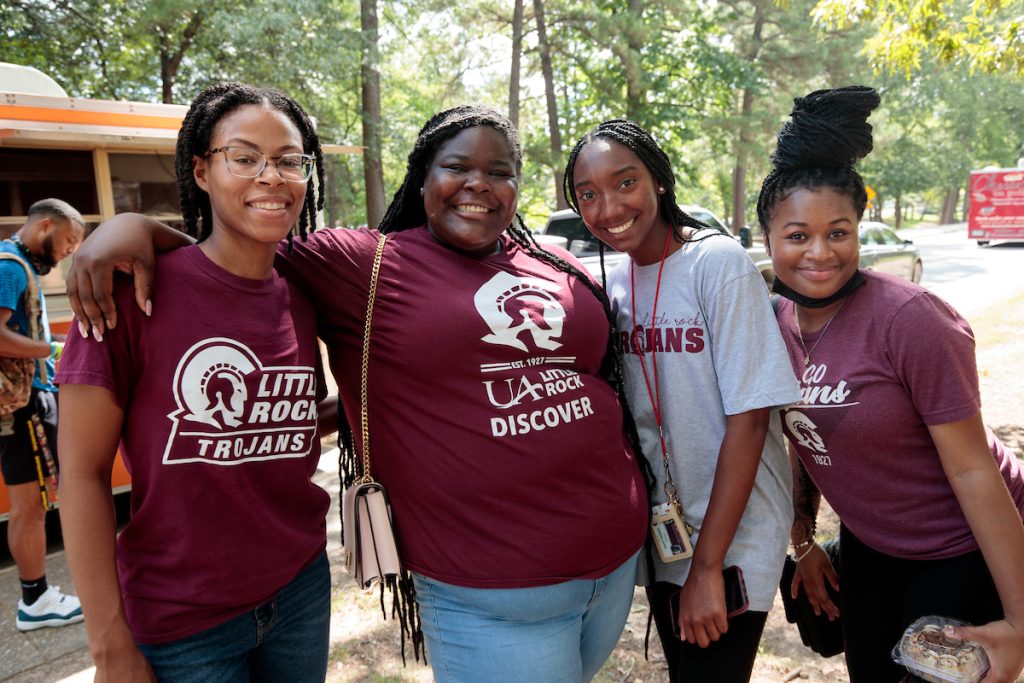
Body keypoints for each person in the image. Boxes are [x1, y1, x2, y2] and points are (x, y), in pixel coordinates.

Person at [65, 104, 649, 683]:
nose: (479, 183)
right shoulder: (358, 263)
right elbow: (233, 246)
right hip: (490, 589)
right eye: (457, 166)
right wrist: (127, 227)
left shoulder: (555, 262)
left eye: (500, 172)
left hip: (610, 562)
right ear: (422, 178)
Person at [55, 83, 334, 682]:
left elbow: (292, 422)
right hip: (185, 621)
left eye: (289, 161)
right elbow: (80, 476)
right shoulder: (124, 295)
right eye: (245, 157)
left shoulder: (300, 294)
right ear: (202, 170)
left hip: (301, 588)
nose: (271, 176)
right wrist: (109, 647)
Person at [757, 86, 1024, 683]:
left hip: (963, 546)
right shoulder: (771, 323)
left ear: (859, 230)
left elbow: (974, 470)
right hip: (873, 545)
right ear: (768, 241)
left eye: (840, 232)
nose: (820, 252)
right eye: (798, 235)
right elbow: (805, 432)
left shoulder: (913, 319)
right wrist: (803, 542)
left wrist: (1020, 620)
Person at [562, 119, 801, 682]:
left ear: (660, 181)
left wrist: (708, 566)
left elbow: (750, 418)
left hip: (732, 534)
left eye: (625, 183)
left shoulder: (716, 264)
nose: (608, 207)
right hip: (670, 533)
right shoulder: (614, 281)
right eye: (587, 194)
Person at [0, 198, 85, 631]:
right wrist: (52, 349)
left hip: (30, 399)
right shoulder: (10, 267)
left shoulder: (20, 266)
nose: (70, 251)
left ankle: (36, 597)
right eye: (69, 241)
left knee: (32, 504)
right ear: (46, 226)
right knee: (29, 507)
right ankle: (35, 601)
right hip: (21, 407)